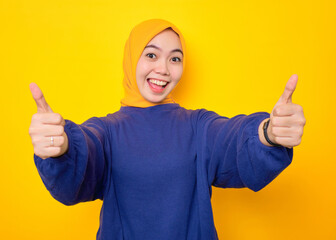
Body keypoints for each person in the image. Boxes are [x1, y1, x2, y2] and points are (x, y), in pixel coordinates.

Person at [29, 19, 306, 240]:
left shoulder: (198, 126)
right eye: (151, 55)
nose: (163, 69)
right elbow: (84, 154)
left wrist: (267, 133)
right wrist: (62, 148)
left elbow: (231, 138)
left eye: (175, 59)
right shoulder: (106, 132)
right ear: (131, 59)